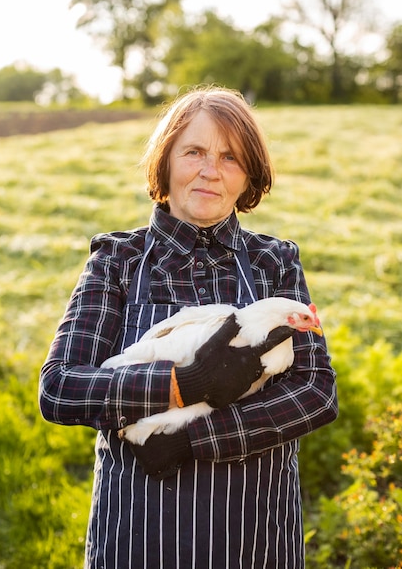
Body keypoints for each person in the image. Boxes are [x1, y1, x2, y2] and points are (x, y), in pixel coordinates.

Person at [39, 86, 338, 569]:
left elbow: (316, 392)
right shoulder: (118, 262)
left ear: (249, 177)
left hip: (255, 534)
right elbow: (61, 389)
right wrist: (184, 384)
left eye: (230, 158)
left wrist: (194, 438)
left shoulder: (274, 264)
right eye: (194, 151)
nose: (209, 171)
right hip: (139, 532)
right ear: (166, 160)